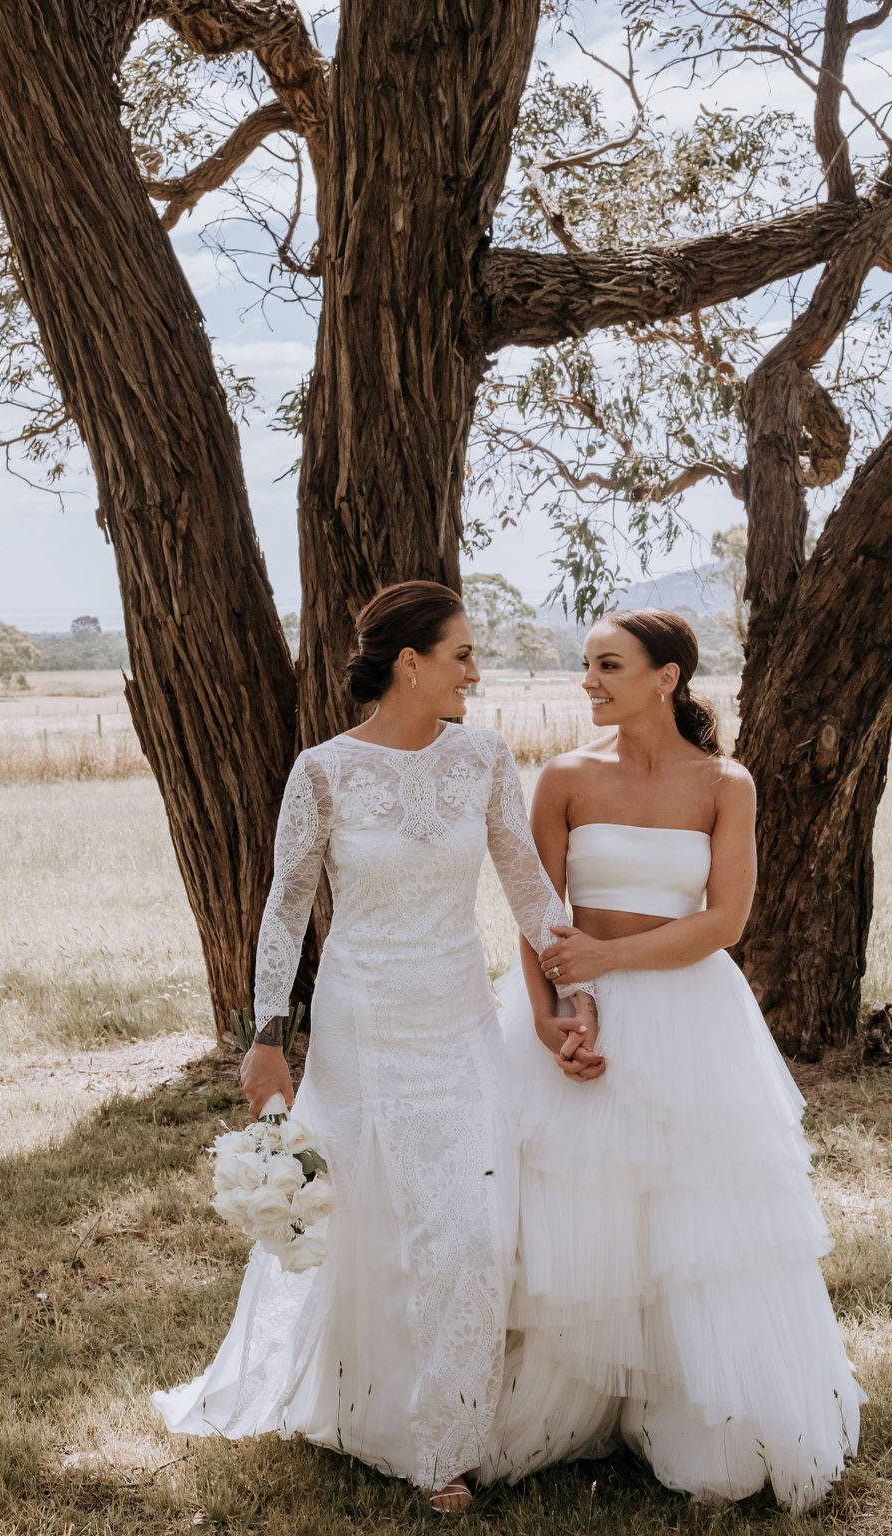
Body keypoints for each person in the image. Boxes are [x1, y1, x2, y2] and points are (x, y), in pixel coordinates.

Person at [149, 580, 598, 1514]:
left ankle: (447, 1441)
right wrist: (267, 1036)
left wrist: (576, 991)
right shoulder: (322, 770)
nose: (476, 670)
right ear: (411, 664)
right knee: (360, 1226)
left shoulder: (483, 757)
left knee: (467, 1229)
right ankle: (363, 1404)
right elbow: (283, 908)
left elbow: (526, 885)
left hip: (458, 1021)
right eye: (463, 654)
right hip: (359, 1028)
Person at [477, 607, 866, 1512]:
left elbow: (724, 923)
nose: (589, 682)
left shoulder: (727, 784)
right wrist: (552, 1019)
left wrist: (609, 961)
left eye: (608, 665)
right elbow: (536, 916)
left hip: (690, 1015)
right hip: (579, 1017)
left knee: (694, 1219)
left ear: (667, 677)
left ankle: (689, 1402)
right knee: (575, 1208)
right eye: (585, 666)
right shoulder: (565, 778)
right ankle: (574, 1398)